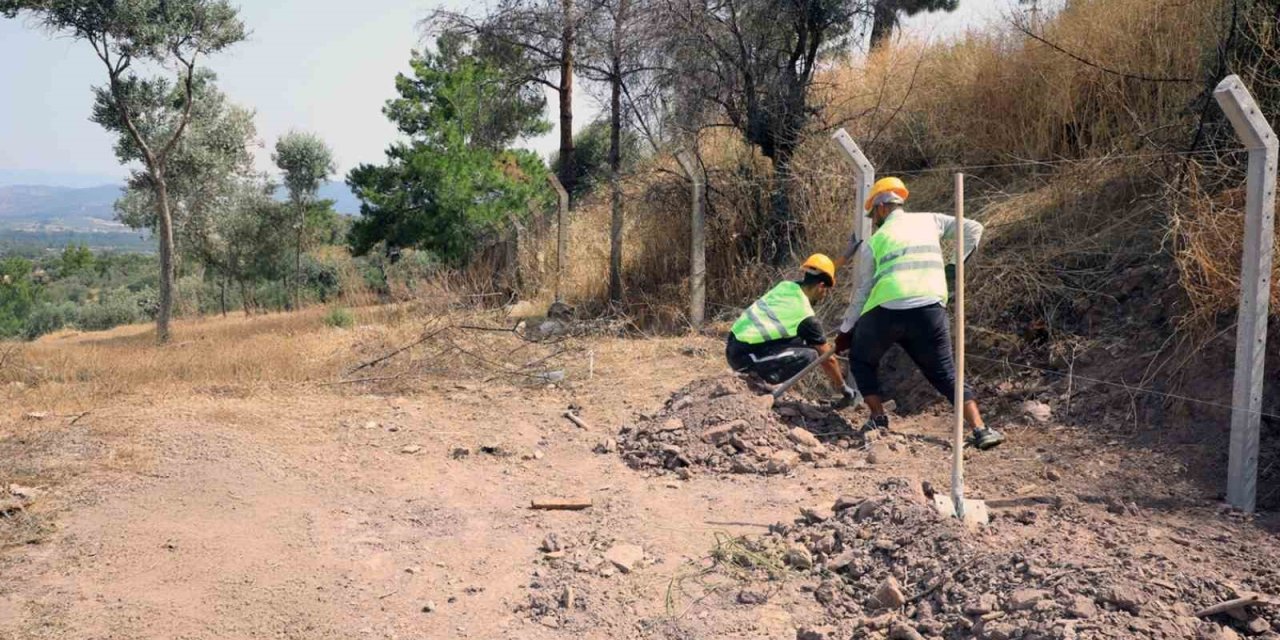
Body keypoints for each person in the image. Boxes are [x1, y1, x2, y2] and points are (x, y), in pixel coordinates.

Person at [835, 177, 1006, 450]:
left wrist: (846, 331)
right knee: (946, 373)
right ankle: (981, 430)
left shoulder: (874, 241)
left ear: (880, 209)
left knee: (861, 360)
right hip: (928, 309)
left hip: (885, 312)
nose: (874, 221)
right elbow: (974, 228)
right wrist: (954, 265)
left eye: (873, 215)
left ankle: (878, 419)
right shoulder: (930, 220)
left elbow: (863, 291)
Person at [726, 254, 857, 405]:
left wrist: (844, 257)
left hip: (734, 345)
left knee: (799, 341)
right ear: (820, 286)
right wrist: (843, 387)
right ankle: (758, 380)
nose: (824, 295)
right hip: (744, 358)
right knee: (810, 354)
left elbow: (818, 274)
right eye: (825, 290)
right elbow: (828, 358)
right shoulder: (805, 315)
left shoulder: (785, 286)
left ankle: (759, 375)